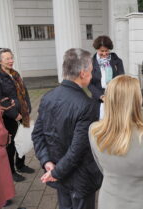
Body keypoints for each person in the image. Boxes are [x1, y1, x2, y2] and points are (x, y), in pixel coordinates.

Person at [32, 48, 103, 209]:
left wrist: (47, 162)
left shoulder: (48, 97)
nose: (92, 76)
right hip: (79, 178)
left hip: (58, 172)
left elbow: (37, 136)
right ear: (83, 73)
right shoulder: (87, 105)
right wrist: (51, 168)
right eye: (91, 71)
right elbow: (78, 149)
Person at [89, 75, 143, 209]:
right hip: (141, 202)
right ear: (137, 101)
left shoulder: (94, 131)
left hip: (107, 201)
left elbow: (101, 167)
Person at [0, 48, 34, 182]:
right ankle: (11, 171)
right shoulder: (0, 77)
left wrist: (27, 109)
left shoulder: (15, 74)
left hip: (22, 113)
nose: (10, 61)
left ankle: (21, 164)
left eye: (11, 57)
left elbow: (25, 92)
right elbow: (1, 99)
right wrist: (15, 115)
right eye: (7, 58)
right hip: (9, 117)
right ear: (0, 61)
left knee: (23, 139)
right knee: (11, 144)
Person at [88, 35, 124, 118]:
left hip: (115, 98)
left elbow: (121, 80)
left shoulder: (117, 61)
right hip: (97, 100)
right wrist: (101, 96)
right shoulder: (90, 63)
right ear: (97, 49)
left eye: (106, 51)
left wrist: (113, 95)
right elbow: (89, 84)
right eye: (102, 51)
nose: (104, 53)